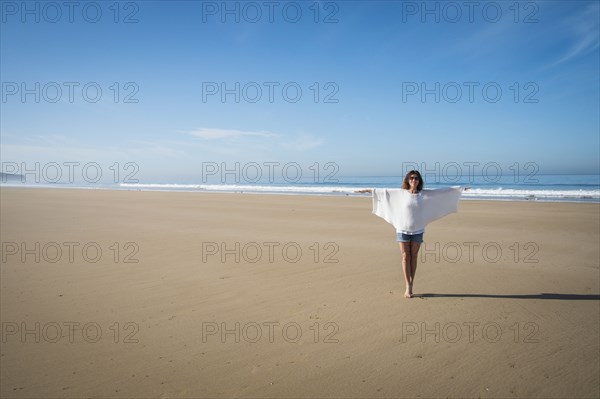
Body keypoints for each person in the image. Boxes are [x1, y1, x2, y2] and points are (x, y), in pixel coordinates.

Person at [356, 171, 467, 298]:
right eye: (411, 178)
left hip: (418, 230)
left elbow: (442, 192)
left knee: (413, 257)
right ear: (408, 180)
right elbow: (384, 192)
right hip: (402, 230)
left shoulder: (424, 194)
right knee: (405, 256)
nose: (413, 180)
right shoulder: (401, 193)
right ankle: (407, 286)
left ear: (419, 181)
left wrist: (459, 189)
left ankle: (412, 284)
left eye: (416, 178)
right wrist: (367, 190)